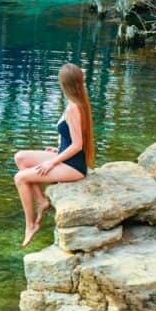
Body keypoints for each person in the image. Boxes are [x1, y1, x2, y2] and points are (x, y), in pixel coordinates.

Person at [14, 63, 95, 247]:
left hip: (73, 167)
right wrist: (57, 150)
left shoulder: (74, 107)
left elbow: (77, 145)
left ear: (65, 84)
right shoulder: (78, 101)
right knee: (20, 158)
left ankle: (31, 225)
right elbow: (71, 137)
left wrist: (53, 162)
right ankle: (41, 201)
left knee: (20, 178)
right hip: (66, 158)